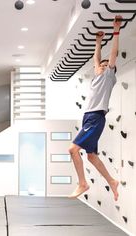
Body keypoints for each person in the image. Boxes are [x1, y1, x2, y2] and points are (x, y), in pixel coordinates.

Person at [68, 15, 123, 201]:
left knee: (73, 150)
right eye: (101, 65)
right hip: (89, 117)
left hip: (95, 117)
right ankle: (112, 181)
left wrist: (116, 30)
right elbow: (96, 59)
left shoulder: (108, 76)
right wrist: (98, 41)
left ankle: (82, 183)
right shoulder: (97, 75)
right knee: (91, 156)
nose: (102, 65)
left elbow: (113, 55)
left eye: (106, 65)